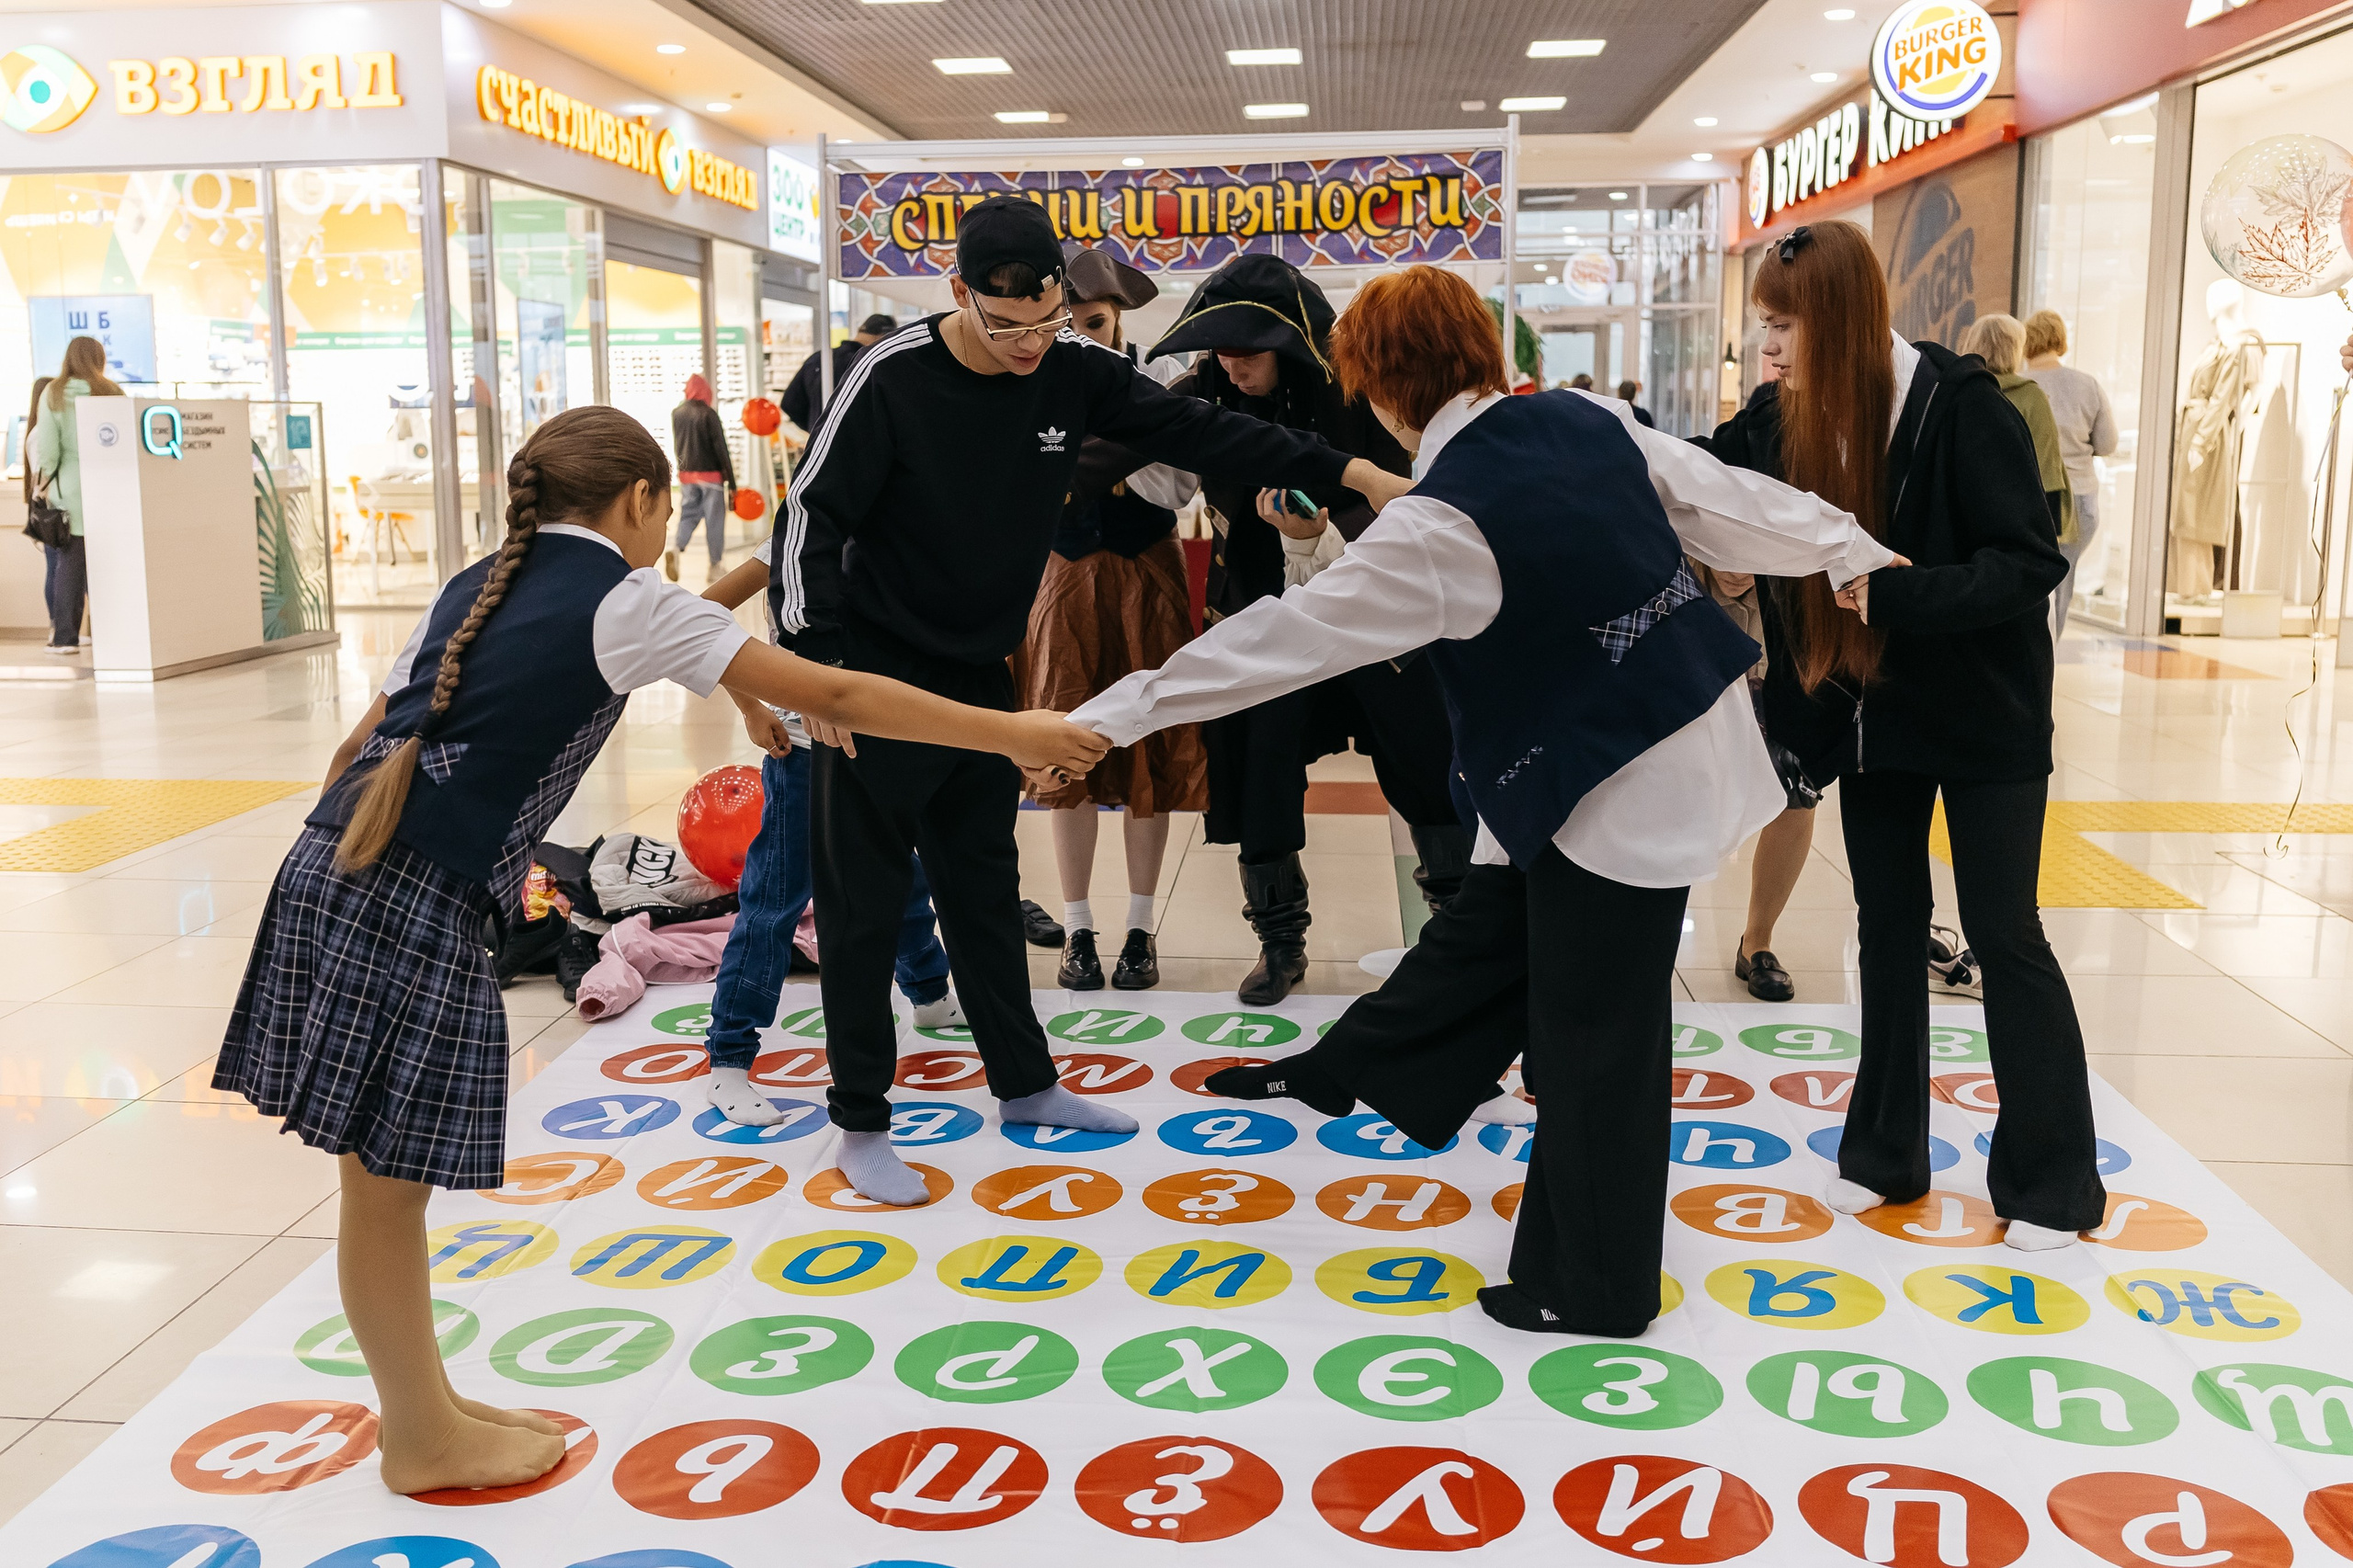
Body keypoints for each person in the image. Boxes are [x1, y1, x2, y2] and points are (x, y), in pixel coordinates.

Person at [212, 405, 1106, 1495]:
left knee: (375, 1189)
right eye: (658, 519)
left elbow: (369, 735)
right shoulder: (621, 595)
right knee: (386, 1192)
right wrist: (1012, 730)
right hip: (414, 896)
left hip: (332, 863)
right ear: (641, 502)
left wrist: (735, 682)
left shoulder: (484, 577)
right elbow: (832, 690)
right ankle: (420, 1434)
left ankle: (427, 1403)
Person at [1074, 265, 1891, 1338]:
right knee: (1494, 932)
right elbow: (1728, 502)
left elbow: (1279, 642)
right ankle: (1351, 1064)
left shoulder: (1440, 522)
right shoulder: (1584, 418)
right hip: (1666, 742)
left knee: (1601, 1040)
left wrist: (1110, 714)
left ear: (1380, 389)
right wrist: (1849, 547)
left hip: (1616, 790)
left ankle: (1592, 1285)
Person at [773, 196, 1407, 1205]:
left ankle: (1024, 1084)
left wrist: (1355, 470)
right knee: (863, 906)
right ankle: (860, 1118)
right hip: (875, 679)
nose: (1029, 344)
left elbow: (1209, 430)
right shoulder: (891, 375)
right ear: (958, 296)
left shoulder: (1072, 370)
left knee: (982, 884)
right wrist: (812, 669)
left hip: (984, 671)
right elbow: (807, 516)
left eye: (1047, 321)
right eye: (1005, 325)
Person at [1705, 220, 2103, 1253]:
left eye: (1784, 325)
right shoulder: (1778, 416)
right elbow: (1707, 482)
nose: (1769, 347)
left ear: (1839, 318)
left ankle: (2051, 1182)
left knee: (2003, 933)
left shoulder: (1959, 405)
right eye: (1763, 326)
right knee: (1884, 929)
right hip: (1869, 720)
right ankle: (1883, 1156)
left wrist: (1899, 595)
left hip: (1985, 717)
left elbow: (2026, 562)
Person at [1147, 252, 1470, 1005]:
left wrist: (1330, 528)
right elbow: (1136, 467)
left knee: (1425, 765)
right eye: (1219, 349)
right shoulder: (1203, 394)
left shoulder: (1362, 395)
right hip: (1266, 617)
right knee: (1261, 775)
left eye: (1248, 350)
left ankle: (1456, 931)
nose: (1231, 365)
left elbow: (1418, 496)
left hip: (1382, 614)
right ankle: (1279, 939)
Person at [697, 541, 972, 1128]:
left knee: (902, 875)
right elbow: (701, 618)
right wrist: (749, 706)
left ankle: (928, 992)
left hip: (889, 743)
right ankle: (728, 1055)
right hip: (803, 753)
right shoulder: (790, 543)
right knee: (774, 899)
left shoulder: (903, 534)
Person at [1013, 247, 1204, 991]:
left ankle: (1140, 926)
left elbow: (1180, 486)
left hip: (1146, 578)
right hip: (1060, 583)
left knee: (1147, 747)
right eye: (1071, 322)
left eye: (1095, 321)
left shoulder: (1155, 382)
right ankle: (1080, 926)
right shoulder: (1035, 387)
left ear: (1120, 316)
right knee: (1062, 747)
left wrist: (1109, 446)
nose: (1084, 335)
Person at [1698, 560, 1818, 1002]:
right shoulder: (1668, 564)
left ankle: (1757, 943)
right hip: (1688, 695)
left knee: (1798, 794)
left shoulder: (1800, 586)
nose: (1734, 569)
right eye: (1724, 553)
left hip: (1779, 686)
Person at [2023, 309, 2118, 635]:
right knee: (2063, 581)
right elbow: (2107, 443)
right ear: (2061, 340)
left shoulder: (2020, 386)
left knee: (2026, 582)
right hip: (2080, 499)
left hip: (2033, 496)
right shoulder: (2087, 385)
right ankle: (2053, 648)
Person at [26, 337, 121, 653]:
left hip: (70, 489)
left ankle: (65, 638)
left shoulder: (53, 392)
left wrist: (45, 486)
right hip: (109, 488)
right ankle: (116, 631)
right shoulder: (112, 391)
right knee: (108, 565)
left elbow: (49, 452)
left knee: (69, 564)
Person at [1959, 314, 2074, 549]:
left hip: (1964, 514)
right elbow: (2046, 464)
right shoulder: (2031, 397)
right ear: (2014, 349)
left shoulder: (1957, 391)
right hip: (2016, 520)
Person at [666, 373, 737, 580]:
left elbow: (678, 444)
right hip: (711, 477)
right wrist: (732, 483)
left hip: (688, 475)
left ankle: (677, 548)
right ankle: (715, 566)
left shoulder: (677, 413)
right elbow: (721, 449)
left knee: (688, 515)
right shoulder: (708, 414)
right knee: (714, 521)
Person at [780, 312, 898, 436]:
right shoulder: (869, 364)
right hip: (857, 446)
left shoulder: (818, 359)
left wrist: (815, 429)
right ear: (882, 338)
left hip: (820, 447)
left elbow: (789, 404)